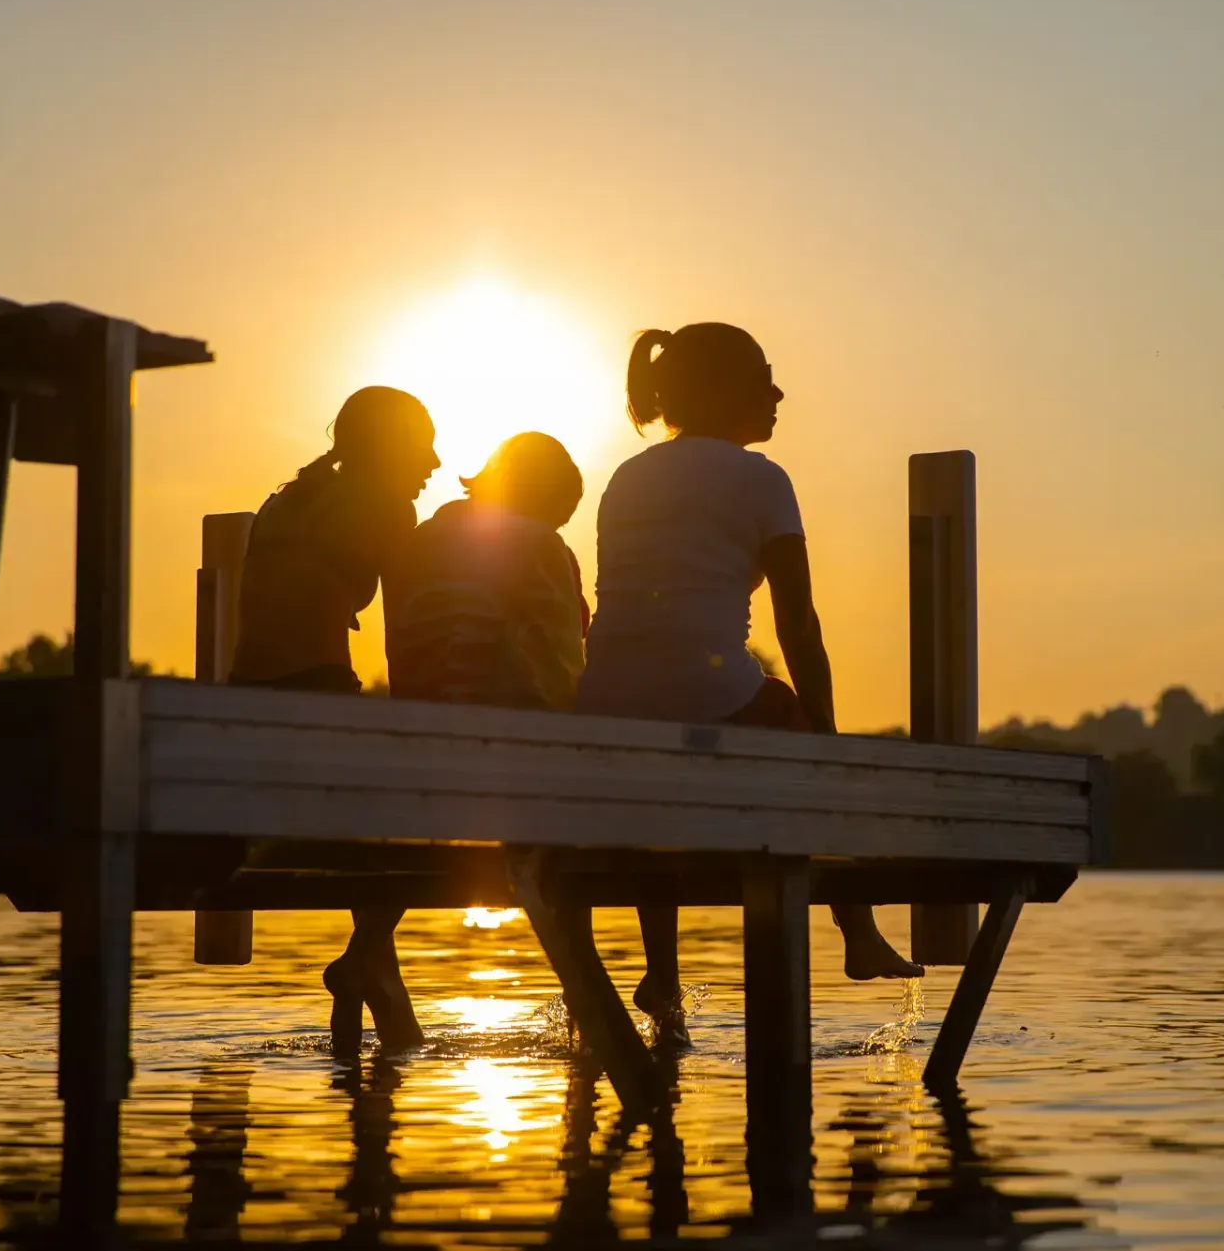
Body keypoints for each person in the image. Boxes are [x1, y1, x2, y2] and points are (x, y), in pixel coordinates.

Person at [577, 323, 923, 1044]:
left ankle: (662, 971)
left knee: (657, 797)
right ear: (721, 391)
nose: (778, 392)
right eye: (764, 378)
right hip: (709, 698)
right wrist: (822, 736)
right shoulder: (762, 478)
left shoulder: (626, 476)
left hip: (605, 703)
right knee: (792, 723)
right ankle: (856, 931)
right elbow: (798, 624)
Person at [229, 385, 439, 1057]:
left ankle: (377, 976)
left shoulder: (287, 500)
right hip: (316, 699)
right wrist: (422, 733)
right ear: (389, 449)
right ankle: (366, 954)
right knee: (430, 810)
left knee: (376, 825)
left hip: (247, 711)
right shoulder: (385, 505)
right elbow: (406, 634)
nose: (435, 461)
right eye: (424, 444)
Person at [384, 432, 590, 710]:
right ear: (542, 498)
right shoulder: (540, 543)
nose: (554, 531)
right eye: (554, 520)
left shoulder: (417, 540)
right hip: (503, 725)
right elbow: (560, 671)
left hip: (414, 715)